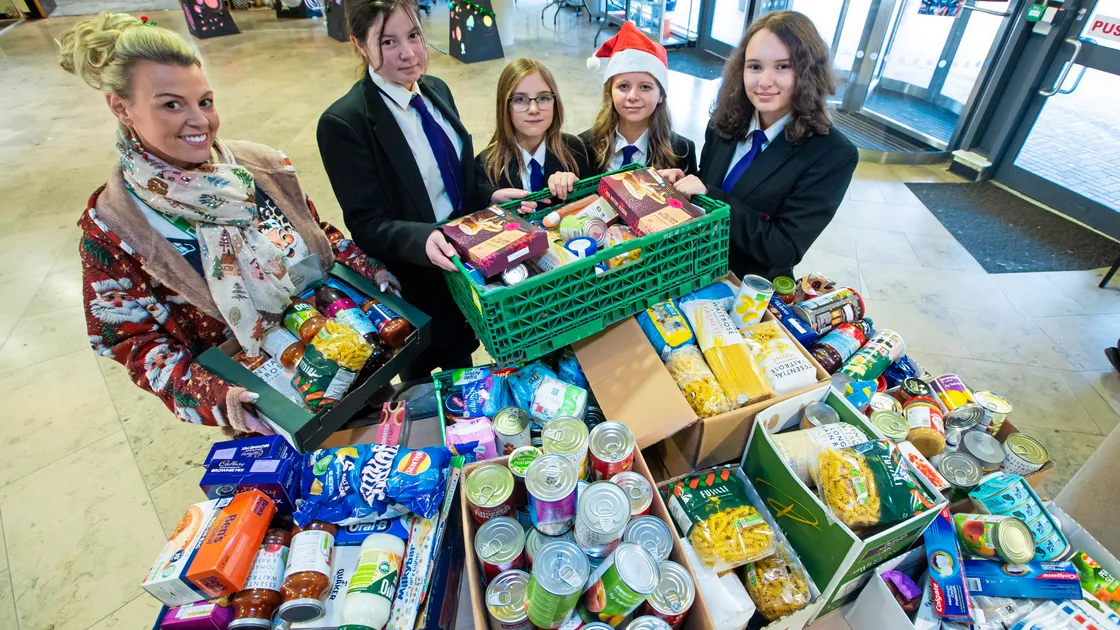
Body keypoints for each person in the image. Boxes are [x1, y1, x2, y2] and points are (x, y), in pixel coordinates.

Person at [61, 12, 398, 433]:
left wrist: (373, 274)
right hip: (272, 409)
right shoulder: (115, 229)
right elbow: (135, 343)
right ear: (121, 107)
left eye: (205, 101)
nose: (200, 121)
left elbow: (317, 238)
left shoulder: (258, 169)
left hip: (355, 355)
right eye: (171, 104)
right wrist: (224, 401)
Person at [317, 0, 508, 379]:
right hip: (416, 280)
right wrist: (425, 239)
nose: (408, 54)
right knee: (424, 382)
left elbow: (453, 169)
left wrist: (486, 196)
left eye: (414, 35)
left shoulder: (436, 90)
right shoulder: (345, 123)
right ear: (358, 44)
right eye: (387, 42)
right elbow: (367, 222)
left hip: (463, 264)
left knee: (463, 363)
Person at [672, 11, 858, 280]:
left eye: (783, 66)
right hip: (692, 266)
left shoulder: (832, 154)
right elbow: (710, 181)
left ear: (809, 72)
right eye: (755, 66)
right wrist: (686, 183)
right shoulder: (724, 122)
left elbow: (784, 248)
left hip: (747, 287)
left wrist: (713, 196)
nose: (765, 82)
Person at [579, 21, 697, 177]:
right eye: (623, 86)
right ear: (609, 92)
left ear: (661, 94)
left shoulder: (682, 151)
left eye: (645, 87)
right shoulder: (584, 146)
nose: (633, 97)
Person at [476, 58, 592, 202]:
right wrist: (492, 205)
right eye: (520, 99)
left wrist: (578, 189)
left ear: (555, 103)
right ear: (504, 106)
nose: (533, 109)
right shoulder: (485, 166)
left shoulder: (576, 150)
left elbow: (593, 205)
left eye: (543, 97)